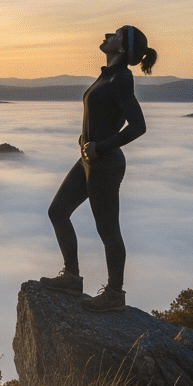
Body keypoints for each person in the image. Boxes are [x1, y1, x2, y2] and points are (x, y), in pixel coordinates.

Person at [39, 25, 157, 312]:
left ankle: (115, 294)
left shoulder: (121, 79)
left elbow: (139, 126)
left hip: (105, 164)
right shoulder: (108, 76)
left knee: (107, 231)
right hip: (89, 161)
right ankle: (71, 277)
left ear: (121, 48)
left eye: (114, 34)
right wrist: (85, 140)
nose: (106, 35)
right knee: (57, 211)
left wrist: (100, 146)